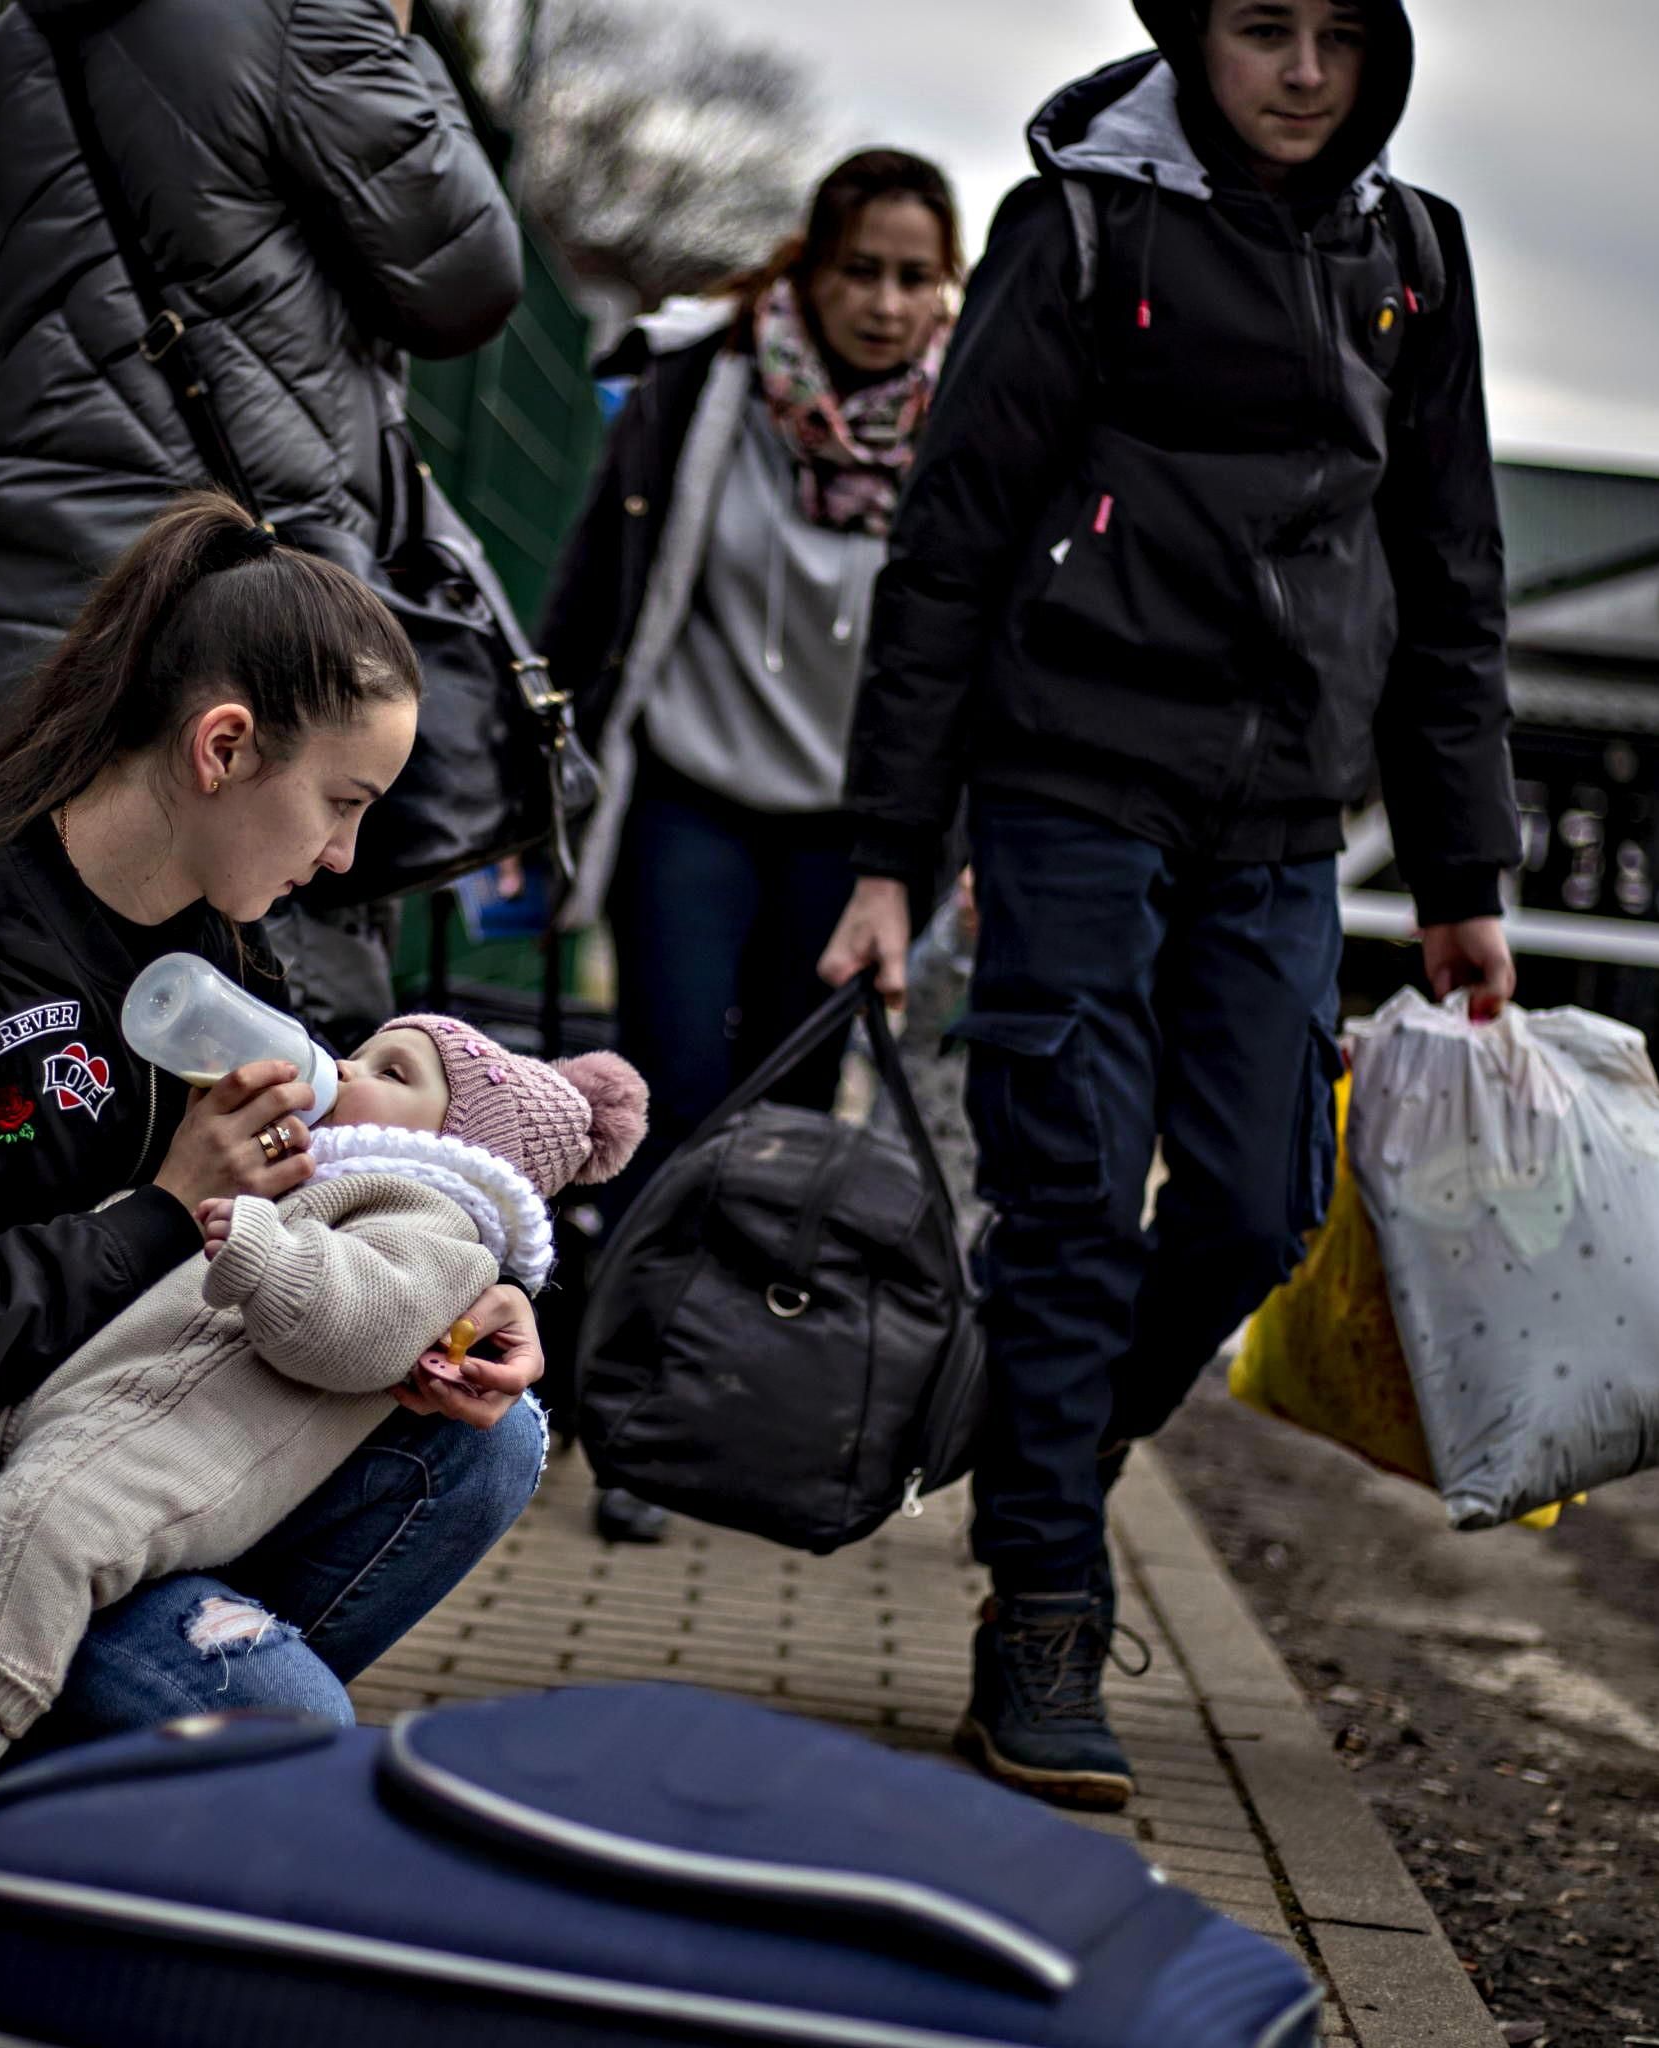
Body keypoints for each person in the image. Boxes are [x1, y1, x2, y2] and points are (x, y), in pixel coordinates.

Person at [819, 0, 1517, 1808]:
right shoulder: (1080, 224)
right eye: (1262, 29)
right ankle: (1043, 1605)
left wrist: (1463, 877)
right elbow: (949, 546)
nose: (1302, 72)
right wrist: (890, 853)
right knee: (1065, 1205)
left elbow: (1450, 578)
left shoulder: (1412, 257)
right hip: (1070, 786)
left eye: (1337, 36)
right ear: (1195, 34)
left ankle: (1042, 1441)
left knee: (1258, 1205)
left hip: (1282, 823)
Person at [0, 497, 551, 1781]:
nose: (344, 856)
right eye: (341, 802)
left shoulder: (222, 950)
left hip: (76, 1439)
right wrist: (165, 1209)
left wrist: (459, 1302)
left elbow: (339, 1194)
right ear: (224, 746)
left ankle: (53, 1734)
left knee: (488, 1442)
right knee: (281, 1717)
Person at [0, 1021, 644, 1826]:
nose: (345, 1068)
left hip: (149, 1455)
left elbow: (365, 1328)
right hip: (60, 1382)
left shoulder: (434, 1227)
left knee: (41, 1525)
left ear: (463, 1141)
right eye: (361, 1051)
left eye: (392, 1073)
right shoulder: (303, 1167)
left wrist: (269, 1257)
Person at [0, 0, 523, 1038]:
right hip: (252, 595)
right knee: (264, 1008)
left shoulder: (24, 34)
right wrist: (396, 35)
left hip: (25, 570)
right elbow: (466, 278)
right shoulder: (305, 16)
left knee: (4, 979)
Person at [540, 149, 961, 1541]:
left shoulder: (973, 421)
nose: (886, 303)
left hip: (854, 835)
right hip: (691, 797)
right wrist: (542, 767)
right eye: (860, 271)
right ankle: (622, 1415)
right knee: (668, 1092)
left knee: (789, 1125)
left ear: (946, 287)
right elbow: (596, 579)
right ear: (808, 269)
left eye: (915, 277)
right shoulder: (702, 379)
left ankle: (733, 1401)